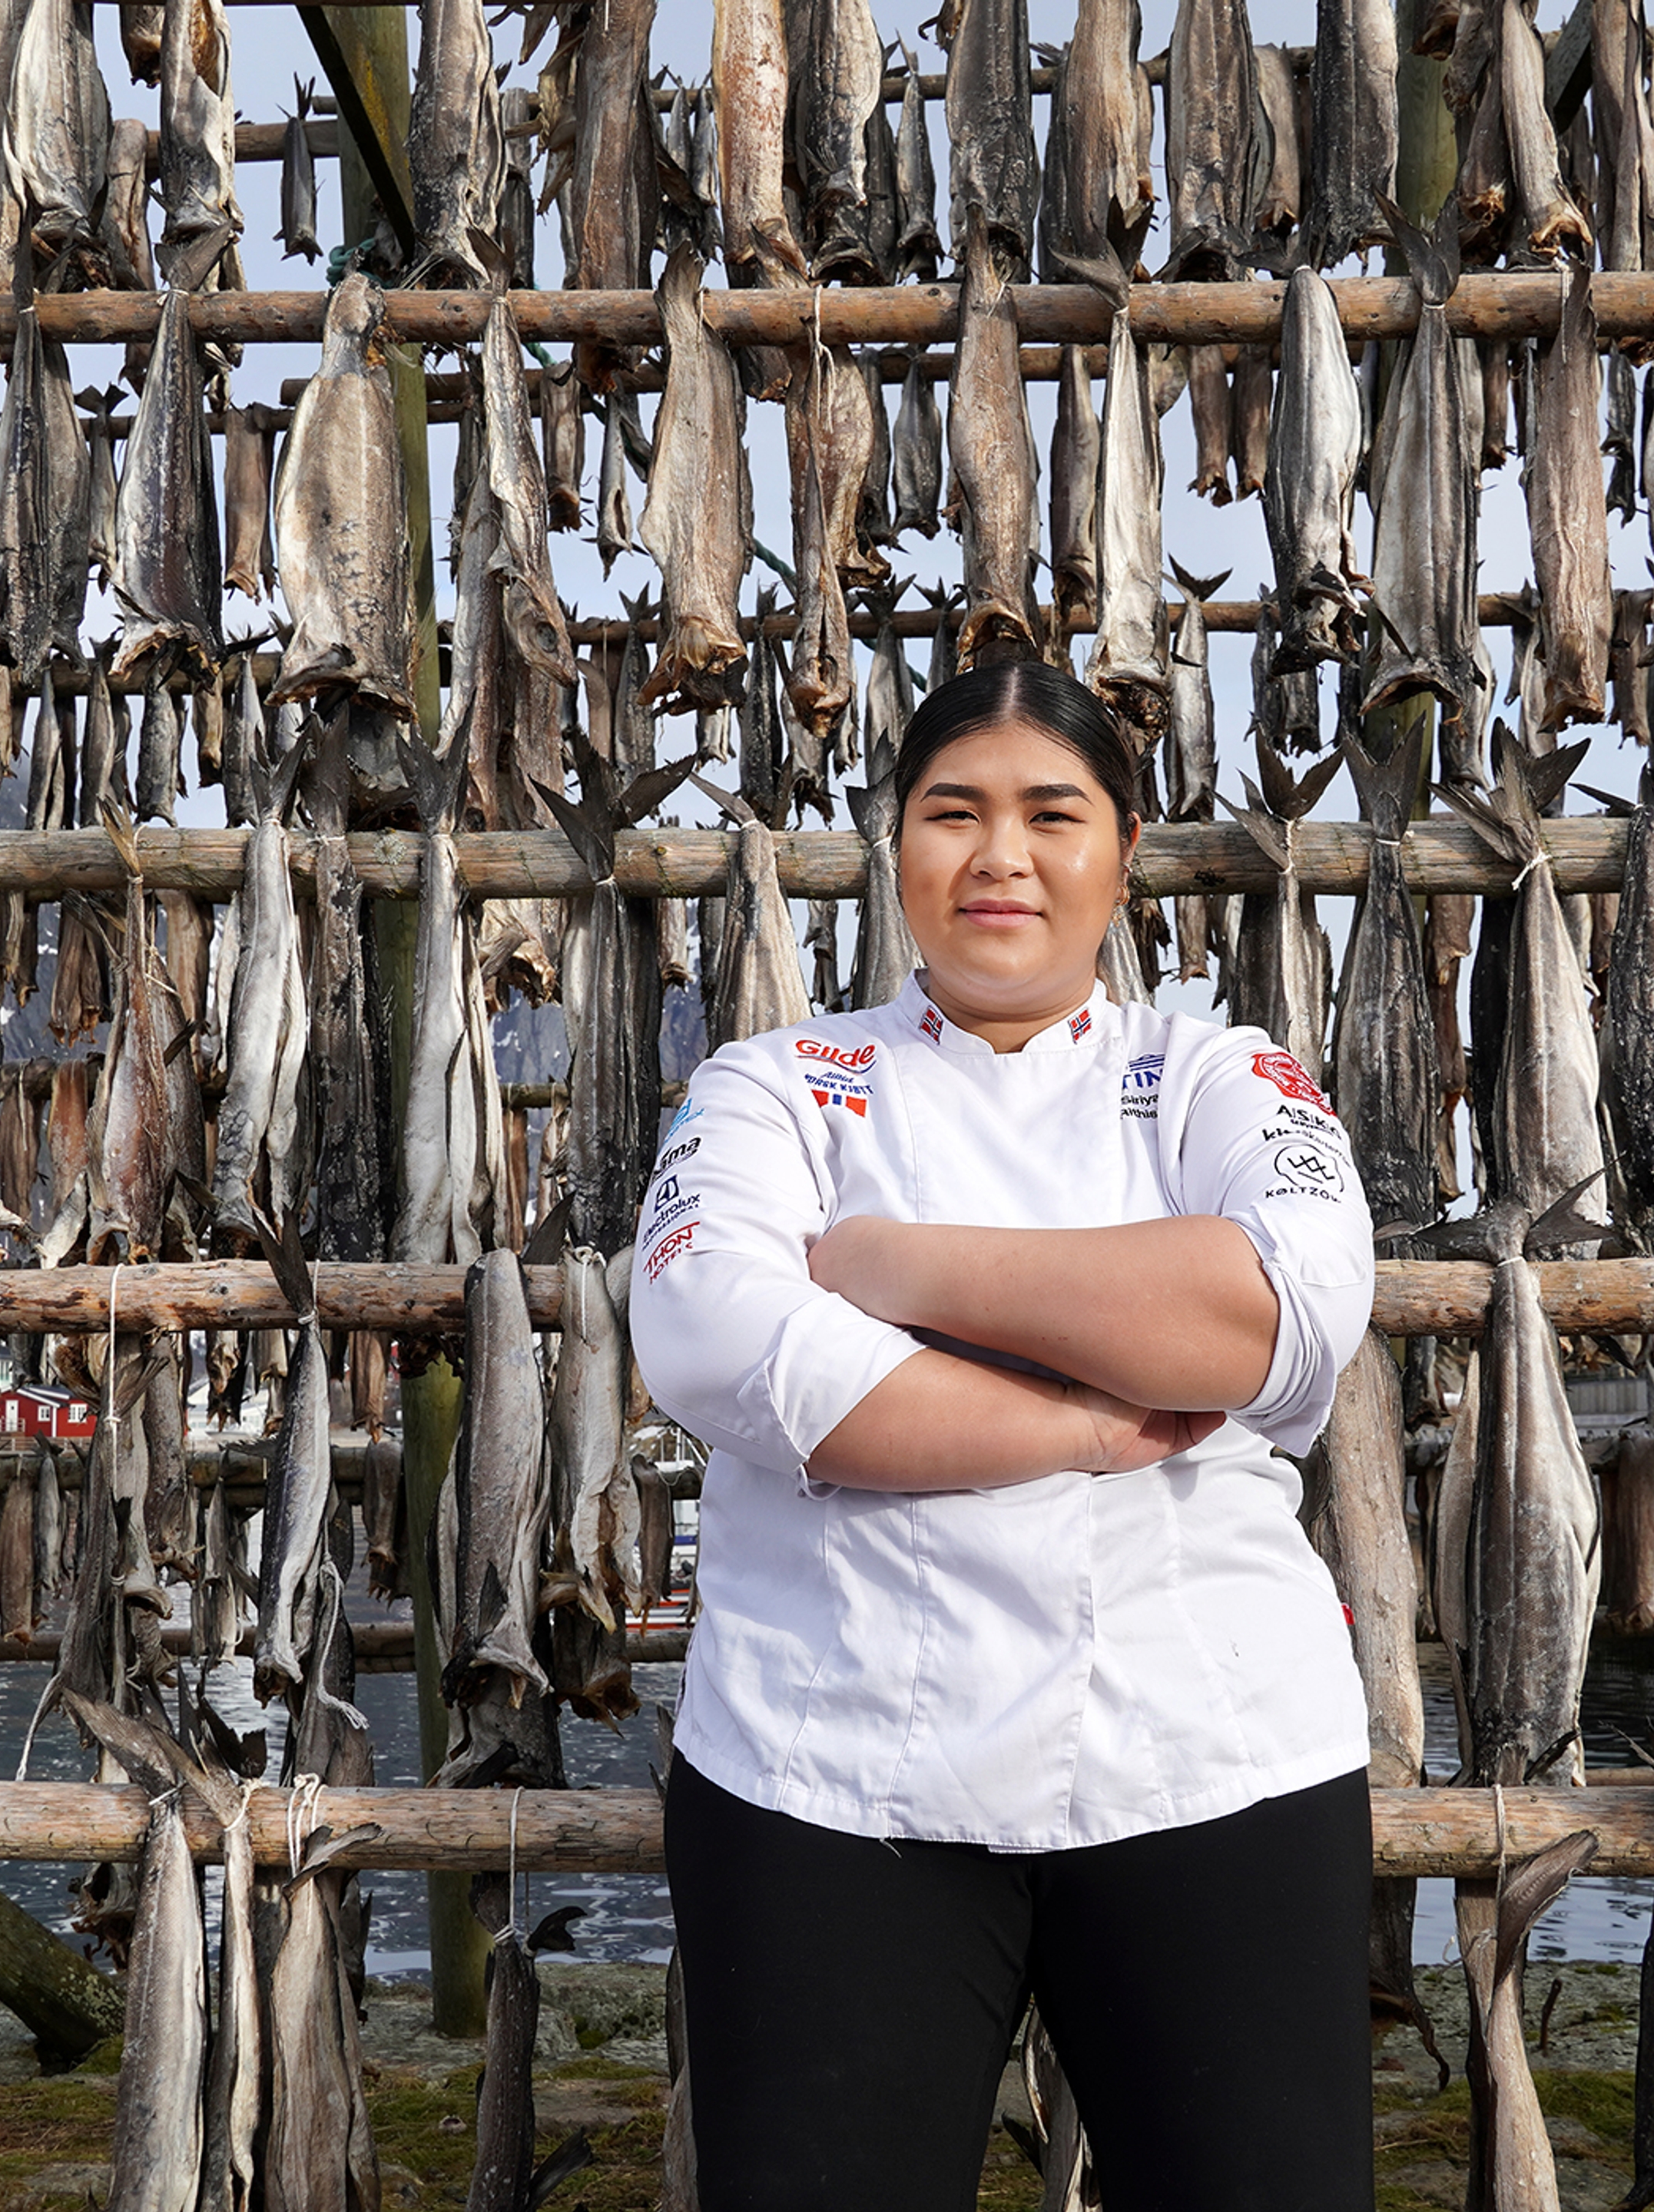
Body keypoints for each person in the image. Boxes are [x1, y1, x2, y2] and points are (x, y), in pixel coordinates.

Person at [628, 659, 1381, 2211]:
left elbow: (1278, 1311)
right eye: (952, 812)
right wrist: (1093, 1425)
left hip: (1211, 1757)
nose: (1001, 858)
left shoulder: (1220, 1075)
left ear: (1125, 852)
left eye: (1054, 813)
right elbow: (718, 1338)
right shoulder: (771, 1086)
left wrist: (907, 1267)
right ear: (892, 843)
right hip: (826, 1773)